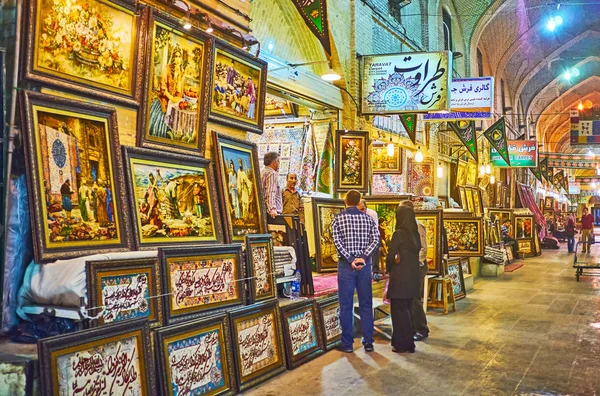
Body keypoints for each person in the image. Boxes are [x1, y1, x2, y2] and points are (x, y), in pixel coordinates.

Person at [331, 190, 380, 353]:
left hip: (346, 266)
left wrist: (351, 259)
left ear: (345, 201)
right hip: (364, 267)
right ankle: (368, 341)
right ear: (359, 200)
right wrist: (364, 258)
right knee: (366, 304)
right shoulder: (368, 219)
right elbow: (376, 240)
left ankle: (347, 344)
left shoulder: (338, 219)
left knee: (346, 306)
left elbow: (337, 242)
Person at [386, 205, 422, 353]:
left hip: (400, 279)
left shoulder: (399, 234)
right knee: (407, 310)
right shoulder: (415, 234)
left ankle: (402, 344)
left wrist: (389, 267)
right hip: (412, 278)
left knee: (399, 313)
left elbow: (390, 255)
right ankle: (409, 343)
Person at [400, 200, 429, 341]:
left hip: (417, 267)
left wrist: (415, 263)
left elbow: (423, 248)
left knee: (415, 299)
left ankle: (421, 329)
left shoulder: (417, 226)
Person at [148, 46, 186, 139]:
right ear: (173, 58)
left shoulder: (182, 72)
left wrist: (179, 77)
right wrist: (171, 98)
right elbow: (163, 88)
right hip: (165, 100)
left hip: (175, 102)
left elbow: (179, 92)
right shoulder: (167, 68)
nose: (177, 59)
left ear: (181, 59)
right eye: (176, 56)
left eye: (179, 57)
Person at [357, 199, 382, 281]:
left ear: (366, 207)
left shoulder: (372, 213)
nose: (361, 211)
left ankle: (375, 271)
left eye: (362, 209)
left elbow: (373, 229)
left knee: (375, 247)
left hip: (373, 236)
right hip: (361, 237)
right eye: (359, 209)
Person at [261, 152, 282, 219]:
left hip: (264, 210)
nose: (278, 164)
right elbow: (270, 191)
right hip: (271, 213)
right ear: (274, 162)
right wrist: (272, 208)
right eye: (278, 162)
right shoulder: (271, 173)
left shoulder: (263, 172)